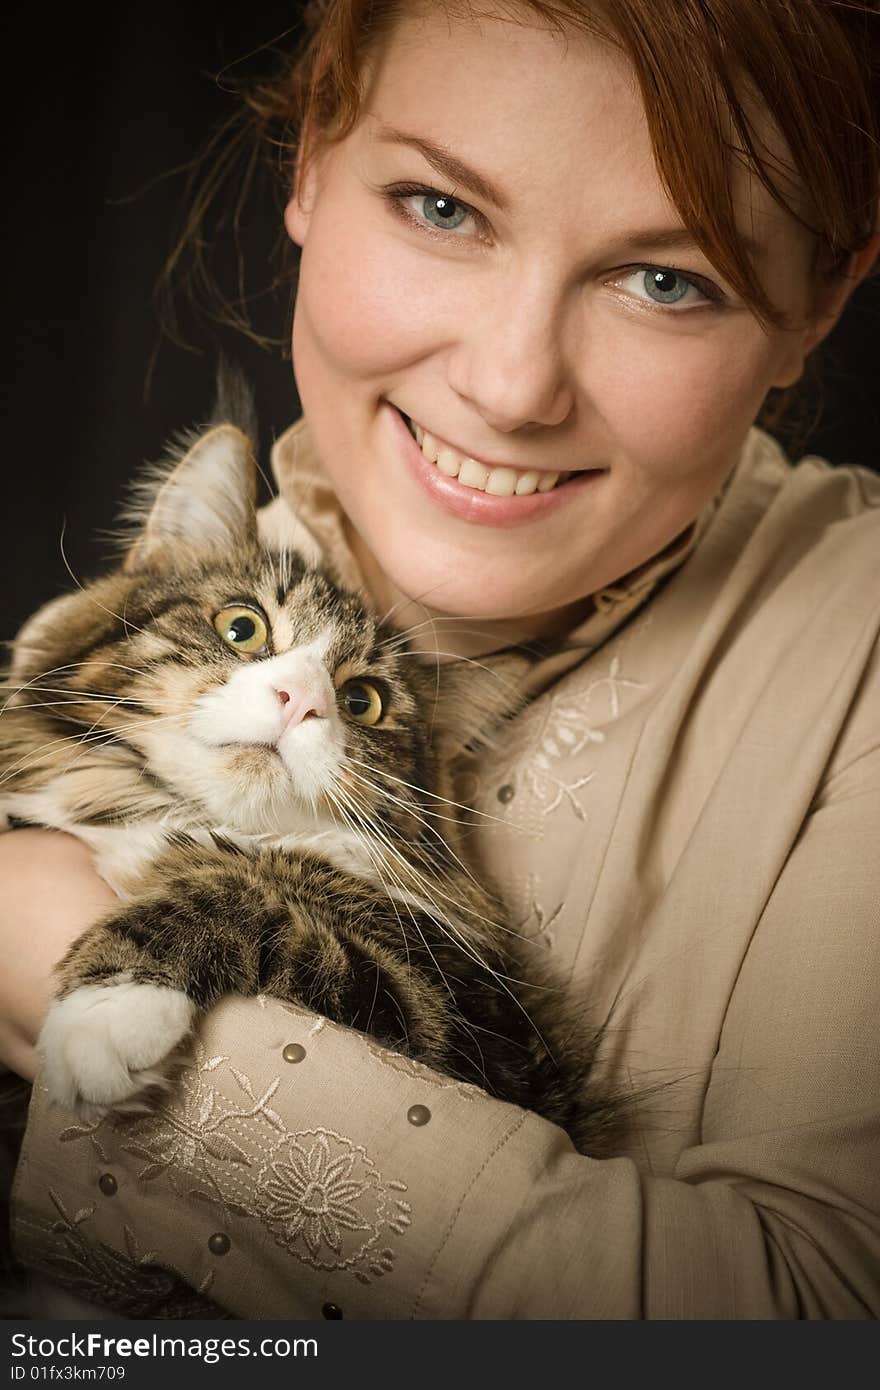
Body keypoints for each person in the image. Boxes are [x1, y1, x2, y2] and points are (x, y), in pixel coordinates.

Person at [2, 0, 879, 1319]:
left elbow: (817, 1321)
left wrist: (65, 945)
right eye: (442, 208)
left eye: (667, 279)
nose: (516, 385)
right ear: (307, 160)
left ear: (820, 304)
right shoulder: (131, 629)